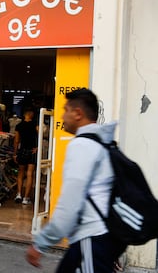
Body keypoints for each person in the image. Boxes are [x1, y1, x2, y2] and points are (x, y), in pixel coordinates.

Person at [26, 88, 127, 272]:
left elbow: (69, 206)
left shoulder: (82, 146)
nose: (62, 116)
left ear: (78, 113)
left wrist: (40, 243)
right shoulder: (104, 142)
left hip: (92, 239)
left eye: (66, 110)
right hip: (102, 239)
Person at [13, 107, 38, 205]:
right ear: (32, 115)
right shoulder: (35, 125)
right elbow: (40, 136)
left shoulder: (19, 126)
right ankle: (26, 198)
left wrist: (15, 153)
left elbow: (16, 141)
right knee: (30, 174)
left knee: (20, 173)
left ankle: (18, 194)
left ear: (24, 115)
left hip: (22, 150)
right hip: (32, 151)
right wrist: (37, 147)